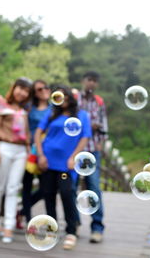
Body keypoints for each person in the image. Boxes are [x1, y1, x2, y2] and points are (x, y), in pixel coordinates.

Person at [35, 84, 92, 250]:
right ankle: (52, 229)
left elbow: (85, 137)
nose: (63, 100)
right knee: (48, 194)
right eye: (60, 97)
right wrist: (40, 155)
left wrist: (74, 156)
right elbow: (38, 133)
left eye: (65, 97)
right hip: (48, 160)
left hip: (67, 163)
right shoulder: (52, 113)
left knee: (67, 194)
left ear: (71, 98)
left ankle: (71, 231)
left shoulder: (82, 115)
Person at [0, 77, 32, 244]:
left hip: (21, 151)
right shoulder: (1, 103)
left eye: (26, 90)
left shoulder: (25, 109)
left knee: (13, 188)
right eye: (20, 88)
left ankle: (9, 225)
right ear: (14, 88)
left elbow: (27, 132)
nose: (22, 92)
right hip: (4, 148)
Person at [75, 71, 108, 243]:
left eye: (95, 81)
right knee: (71, 188)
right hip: (74, 150)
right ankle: (74, 225)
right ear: (83, 81)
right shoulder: (74, 99)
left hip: (92, 150)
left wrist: (99, 134)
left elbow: (104, 125)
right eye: (89, 80)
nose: (92, 83)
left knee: (94, 187)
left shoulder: (99, 102)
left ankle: (97, 228)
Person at [19, 79, 52, 225]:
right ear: (35, 93)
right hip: (29, 151)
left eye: (46, 87)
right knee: (26, 185)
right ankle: (27, 218)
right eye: (39, 89)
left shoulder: (54, 108)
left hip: (46, 153)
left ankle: (20, 212)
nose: (44, 90)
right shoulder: (28, 107)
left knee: (47, 188)